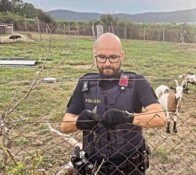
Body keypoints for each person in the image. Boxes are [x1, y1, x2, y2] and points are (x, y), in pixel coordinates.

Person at [60, 33, 166, 175]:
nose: (107, 63)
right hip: (93, 167)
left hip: (130, 166)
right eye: (102, 57)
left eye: (113, 57)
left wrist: (128, 117)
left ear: (122, 56)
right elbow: (65, 125)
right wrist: (79, 122)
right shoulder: (85, 84)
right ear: (95, 56)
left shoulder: (137, 82)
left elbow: (160, 118)